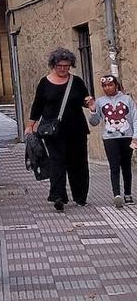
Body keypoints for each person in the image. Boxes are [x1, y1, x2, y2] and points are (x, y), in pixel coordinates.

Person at [26, 48, 93, 211]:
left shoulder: (76, 82)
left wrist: (89, 102)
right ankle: (58, 196)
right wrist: (30, 125)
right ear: (53, 65)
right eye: (59, 66)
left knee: (78, 163)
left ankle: (80, 197)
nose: (63, 69)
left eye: (66, 65)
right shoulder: (44, 82)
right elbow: (38, 105)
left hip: (76, 129)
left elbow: (84, 99)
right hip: (53, 131)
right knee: (57, 162)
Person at [88, 74, 136, 206]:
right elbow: (94, 122)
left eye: (110, 85)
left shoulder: (127, 99)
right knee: (114, 166)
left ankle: (128, 194)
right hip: (109, 138)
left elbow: (135, 117)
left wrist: (135, 136)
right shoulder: (100, 101)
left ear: (116, 85)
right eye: (104, 86)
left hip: (126, 136)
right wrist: (92, 110)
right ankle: (117, 194)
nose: (107, 88)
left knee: (126, 166)